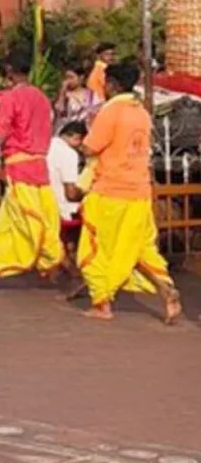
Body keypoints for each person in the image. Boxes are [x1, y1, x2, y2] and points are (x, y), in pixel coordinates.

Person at [78, 63, 183, 323]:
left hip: (110, 191)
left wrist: (80, 146)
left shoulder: (110, 111)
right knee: (140, 248)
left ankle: (102, 302)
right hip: (139, 191)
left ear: (112, 84)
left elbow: (91, 148)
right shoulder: (142, 113)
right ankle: (165, 288)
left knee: (95, 248)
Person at [0, 51, 63, 290]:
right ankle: (50, 261)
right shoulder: (43, 98)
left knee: (18, 220)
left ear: (9, 72)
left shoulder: (10, 99)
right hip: (40, 164)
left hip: (19, 165)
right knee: (44, 216)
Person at [48, 121, 87, 296]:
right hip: (65, 206)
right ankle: (76, 273)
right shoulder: (69, 154)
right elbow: (71, 192)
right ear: (76, 138)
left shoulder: (47, 146)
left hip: (47, 201)